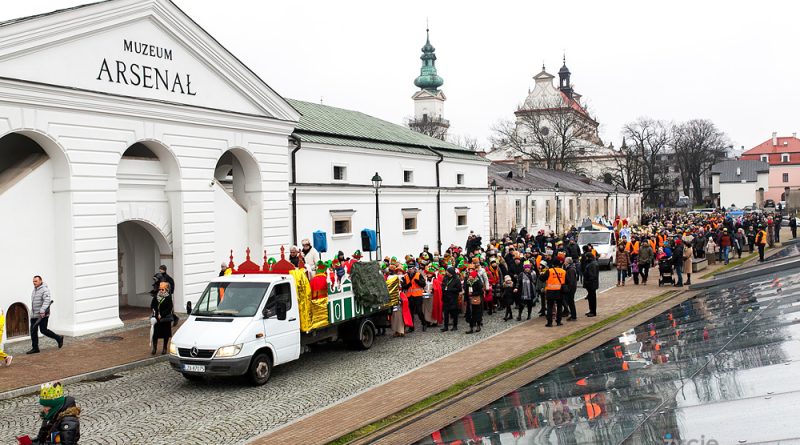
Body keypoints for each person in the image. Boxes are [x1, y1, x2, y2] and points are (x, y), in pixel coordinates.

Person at [28, 275, 63, 354]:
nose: (34, 283)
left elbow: (47, 301)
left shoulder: (45, 290)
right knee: (33, 331)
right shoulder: (35, 290)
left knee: (43, 330)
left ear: (40, 281)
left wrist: (42, 310)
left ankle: (58, 337)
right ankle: (35, 348)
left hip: (42, 315)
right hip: (34, 314)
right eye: (33, 281)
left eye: (36, 281)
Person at [401, 262, 427, 332]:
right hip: (409, 297)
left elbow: (423, 284)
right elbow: (403, 287)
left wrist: (418, 282)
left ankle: (424, 323)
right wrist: (408, 285)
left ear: (414, 269)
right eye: (409, 269)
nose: (410, 270)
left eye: (412, 269)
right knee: (410, 312)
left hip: (418, 296)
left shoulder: (418, 275)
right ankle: (411, 327)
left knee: (419, 311)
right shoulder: (405, 276)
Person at [150, 282, 173, 355]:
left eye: (163, 289)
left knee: (165, 334)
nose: (161, 290)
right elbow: (152, 305)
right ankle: (154, 348)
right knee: (155, 334)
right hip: (157, 318)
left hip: (165, 318)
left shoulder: (168, 297)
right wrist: (155, 313)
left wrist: (162, 314)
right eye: (160, 289)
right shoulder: (156, 296)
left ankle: (165, 348)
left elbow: (169, 308)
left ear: (166, 289)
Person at [540, 260, 565, 327]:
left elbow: (542, 279)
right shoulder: (563, 271)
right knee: (559, 307)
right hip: (560, 291)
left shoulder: (549, 271)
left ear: (553, 265)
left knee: (550, 307)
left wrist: (541, 274)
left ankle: (549, 322)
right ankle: (559, 321)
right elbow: (567, 281)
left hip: (550, 291)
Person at [440, 267, 461, 332]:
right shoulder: (445, 278)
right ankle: (445, 327)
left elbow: (459, 289)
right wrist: (443, 288)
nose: (446, 272)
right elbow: (443, 285)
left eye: (447, 271)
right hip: (446, 298)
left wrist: (450, 289)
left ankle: (455, 326)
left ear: (451, 272)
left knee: (454, 313)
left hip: (453, 298)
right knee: (446, 313)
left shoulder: (456, 279)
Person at [583, 253, 599, 317]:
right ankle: (591, 310)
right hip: (590, 284)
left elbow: (593, 275)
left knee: (592, 298)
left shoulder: (593, 264)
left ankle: (593, 311)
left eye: (586, 257)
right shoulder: (591, 263)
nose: (586, 258)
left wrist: (588, 282)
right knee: (590, 298)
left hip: (592, 284)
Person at [563, 257, 578, 321]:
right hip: (571, 287)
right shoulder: (570, 268)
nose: (564, 262)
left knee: (571, 302)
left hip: (571, 288)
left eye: (565, 261)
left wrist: (568, 288)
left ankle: (573, 316)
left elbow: (571, 281)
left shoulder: (570, 269)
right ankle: (573, 315)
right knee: (570, 302)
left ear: (567, 262)